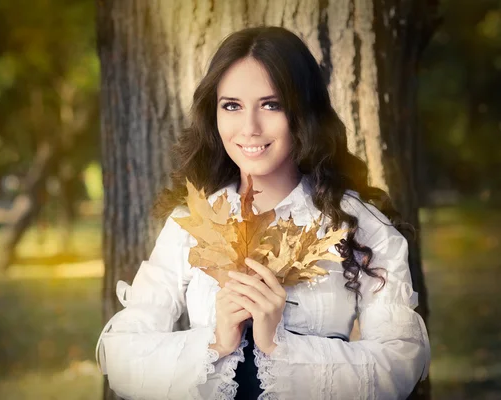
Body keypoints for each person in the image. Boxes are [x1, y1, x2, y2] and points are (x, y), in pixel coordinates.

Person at [96, 26, 430, 400]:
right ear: (214, 113)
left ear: (303, 112)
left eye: (272, 105)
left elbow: (401, 365)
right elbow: (122, 356)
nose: (250, 128)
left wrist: (279, 346)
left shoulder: (358, 225)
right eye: (232, 106)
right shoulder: (190, 223)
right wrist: (216, 341)